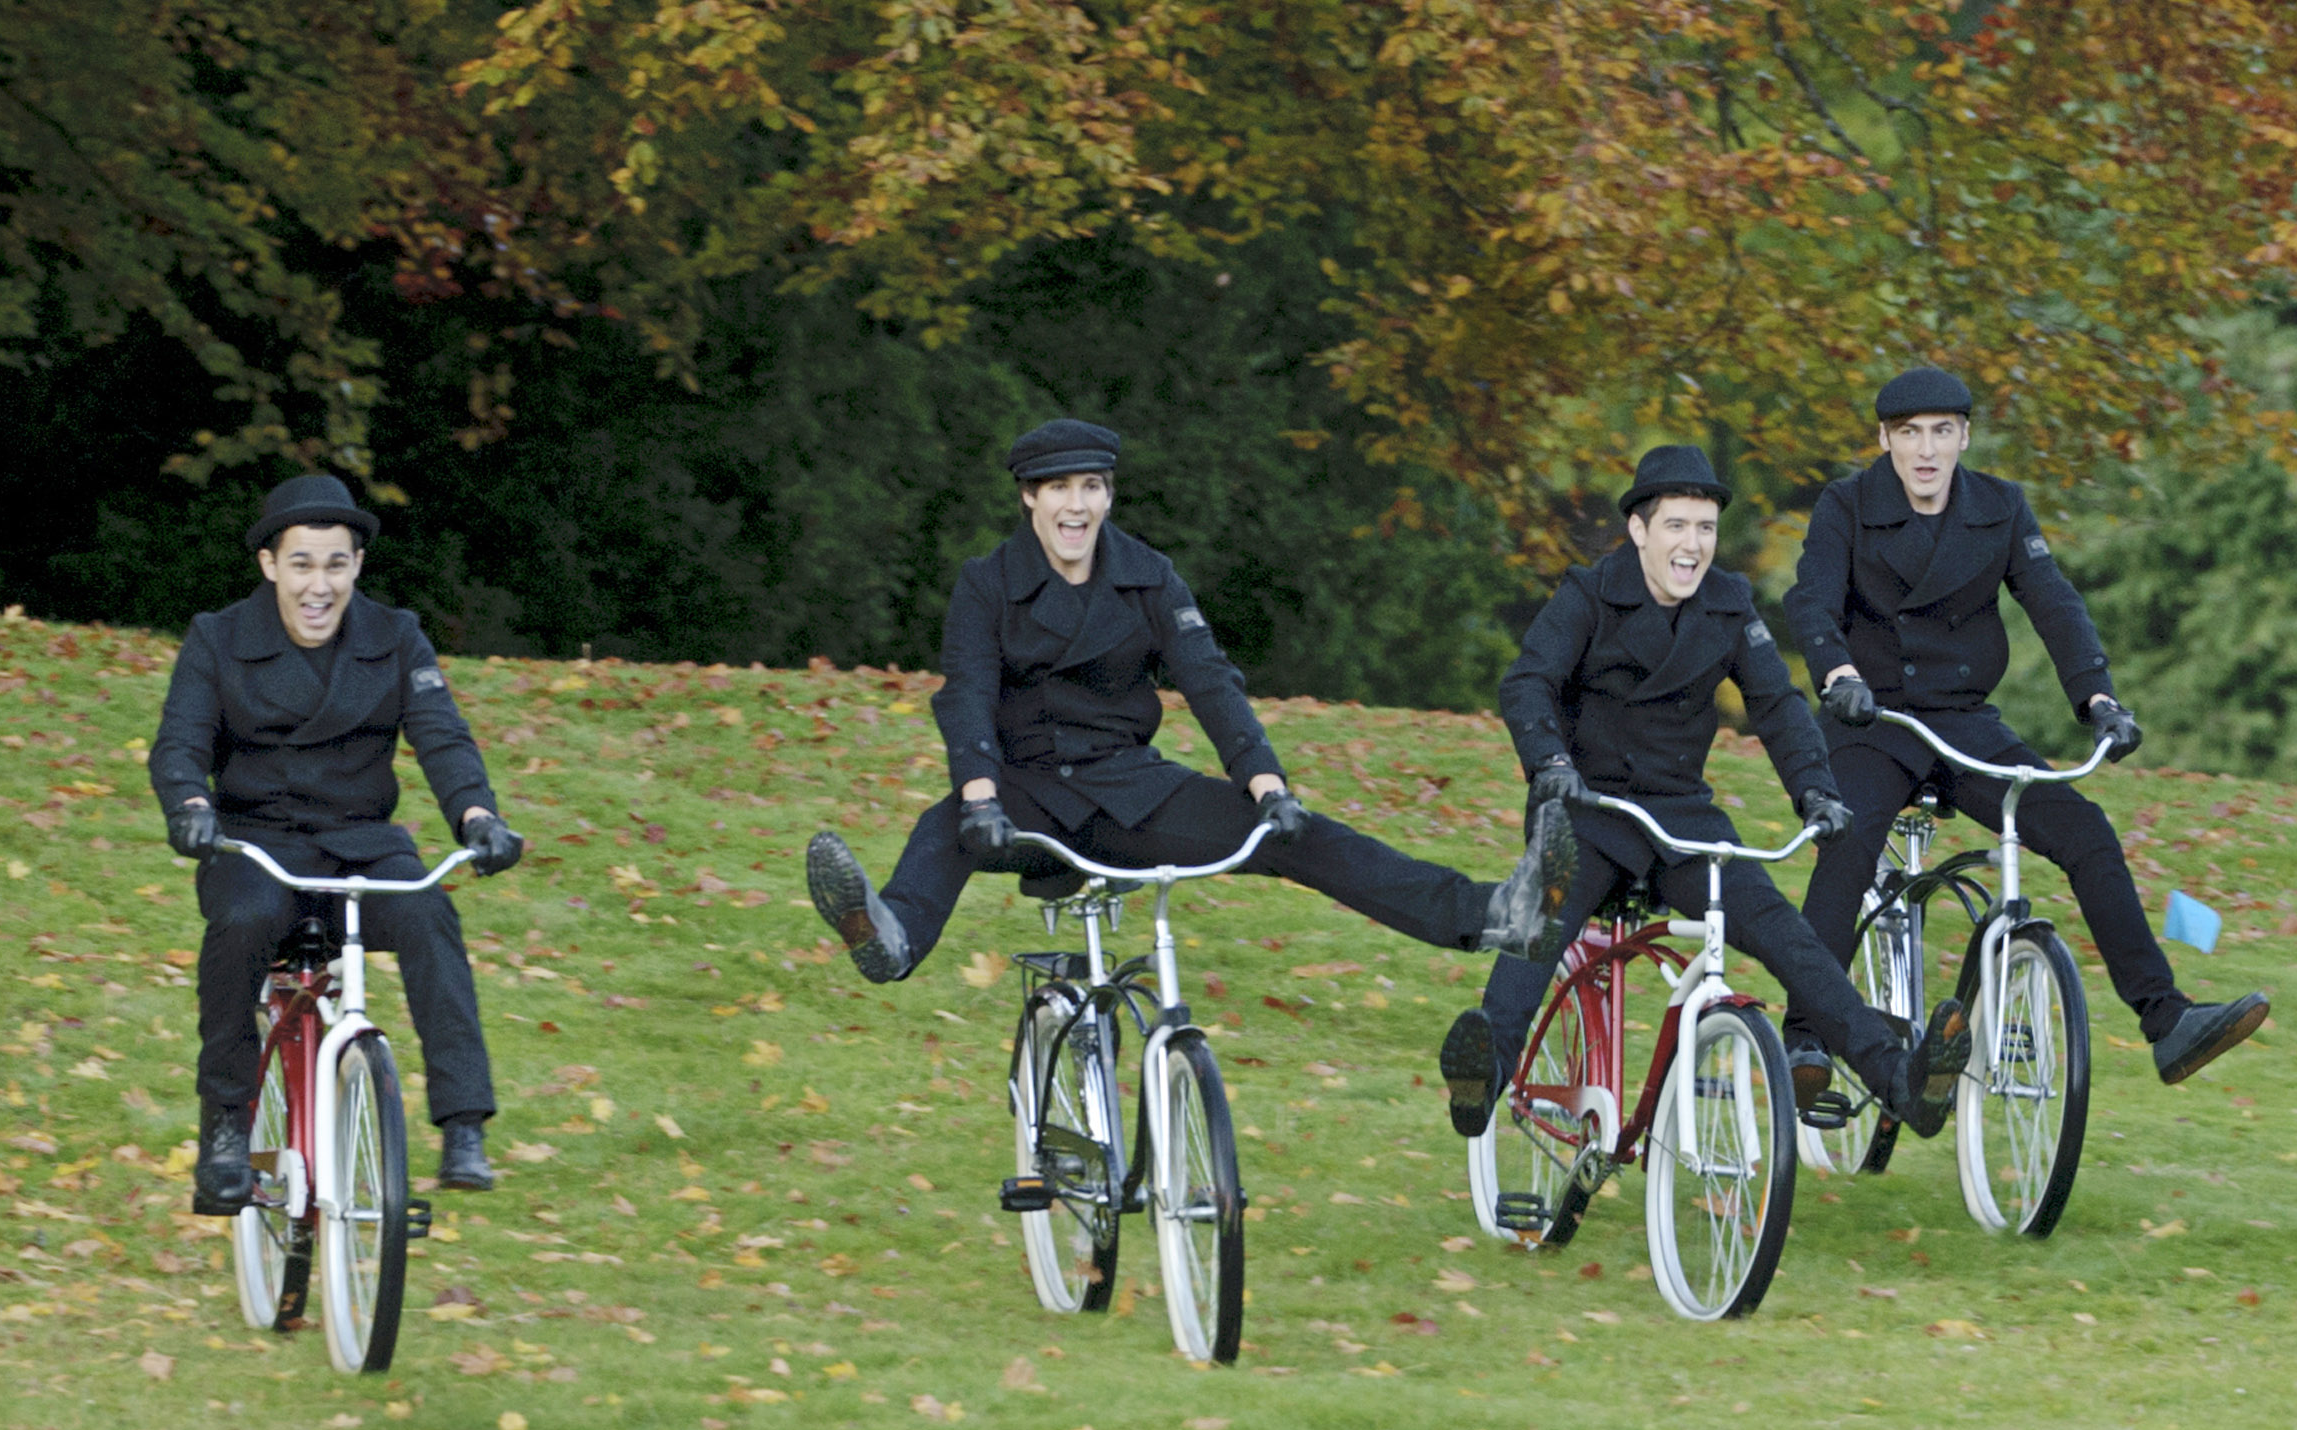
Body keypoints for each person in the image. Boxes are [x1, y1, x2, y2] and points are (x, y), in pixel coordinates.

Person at [804, 418, 1580, 988]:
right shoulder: (987, 582)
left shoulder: (1149, 576)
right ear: (1030, 498)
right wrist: (980, 796)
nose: (1077, 505)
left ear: (1107, 496)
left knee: (1298, 837)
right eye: (1060, 489)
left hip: (1133, 793)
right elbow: (967, 692)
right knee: (942, 827)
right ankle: (891, 934)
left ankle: (1493, 914)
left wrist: (1268, 786)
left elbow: (1211, 683)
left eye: (1092, 487)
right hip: (1025, 797)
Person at [1437, 444, 1974, 1141]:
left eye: (1706, 528)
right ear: (1639, 529)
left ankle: (1899, 1078)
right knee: (1541, 914)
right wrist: (1549, 759)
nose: (1692, 545)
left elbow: (1777, 705)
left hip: (1681, 818)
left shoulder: (1728, 602)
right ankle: (1486, 1075)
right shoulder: (1589, 593)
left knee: (1789, 934)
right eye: (1677, 526)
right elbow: (1527, 682)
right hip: (1589, 806)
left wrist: (1816, 789)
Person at [1783, 365, 2268, 1087]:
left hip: (1963, 721)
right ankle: (1806, 1037)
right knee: (1848, 846)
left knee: (2085, 830)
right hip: (1873, 717)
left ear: (1964, 436)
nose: (1926, 450)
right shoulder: (1846, 505)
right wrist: (1838, 676)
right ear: (1884, 438)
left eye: (1941, 432)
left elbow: (2053, 601)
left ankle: (2167, 1020)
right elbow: (1810, 600)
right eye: (1910, 434)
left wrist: (2098, 699)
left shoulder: (2000, 508)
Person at [148, 473, 527, 1213]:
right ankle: (225, 1127)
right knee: (244, 924)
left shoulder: (395, 637)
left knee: (428, 912)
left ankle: (464, 1124)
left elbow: (443, 737)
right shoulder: (217, 638)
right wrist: (191, 805)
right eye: (301, 564)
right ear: (269, 564)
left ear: (356, 565)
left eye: (335, 564)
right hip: (255, 843)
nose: (318, 585)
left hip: (361, 842)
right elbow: (179, 743)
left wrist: (479, 817)